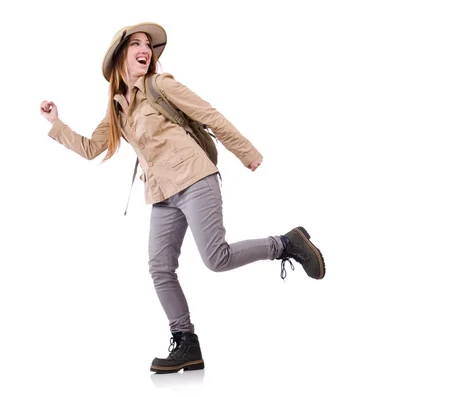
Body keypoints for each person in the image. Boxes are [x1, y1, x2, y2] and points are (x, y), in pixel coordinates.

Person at [39, 22, 326, 374]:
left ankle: (285, 244)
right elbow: (90, 148)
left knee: (216, 258)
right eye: (136, 45)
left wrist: (245, 151)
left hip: (195, 178)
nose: (146, 50)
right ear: (119, 56)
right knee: (160, 268)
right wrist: (56, 122)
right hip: (161, 194)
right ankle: (186, 343)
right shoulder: (116, 111)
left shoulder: (161, 85)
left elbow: (209, 115)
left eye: (149, 45)